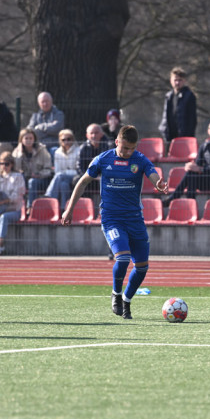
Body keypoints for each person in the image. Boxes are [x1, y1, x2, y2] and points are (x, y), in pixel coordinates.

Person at [60, 125, 169, 320]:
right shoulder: (103, 159)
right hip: (112, 219)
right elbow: (83, 181)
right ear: (117, 142)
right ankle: (116, 294)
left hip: (135, 219)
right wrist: (69, 209)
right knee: (123, 258)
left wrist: (158, 183)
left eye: (132, 149)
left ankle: (127, 300)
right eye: (125, 148)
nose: (128, 152)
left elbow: (153, 174)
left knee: (142, 267)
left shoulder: (140, 160)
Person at [166, 119, 210, 202]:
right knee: (191, 174)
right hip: (207, 179)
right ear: (208, 131)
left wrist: (200, 169)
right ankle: (190, 204)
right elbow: (197, 163)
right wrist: (191, 166)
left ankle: (175, 197)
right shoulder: (204, 146)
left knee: (192, 175)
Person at [11, 127, 52, 209]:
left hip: (41, 180)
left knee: (32, 182)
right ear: (21, 140)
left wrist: (38, 174)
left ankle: (30, 207)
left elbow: (49, 170)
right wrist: (19, 154)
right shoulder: (16, 152)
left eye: (31, 138)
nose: (28, 140)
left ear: (34, 139)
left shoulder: (42, 150)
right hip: (25, 179)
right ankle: (16, 207)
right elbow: (16, 169)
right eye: (26, 138)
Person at [159, 66, 197, 144]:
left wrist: (188, 136)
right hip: (169, 137)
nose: (177, 82)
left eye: (180, 80)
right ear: (171, 81)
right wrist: (163, 130)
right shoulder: (168, 96)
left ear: (184, 81)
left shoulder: (189, 96)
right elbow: (165, 117)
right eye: (175, 80)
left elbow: (192, 119)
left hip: (184, 137)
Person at [44, 129, 81, 211]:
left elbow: (78, 171)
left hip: (75, 177)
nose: (66, 141)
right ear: (60, 141)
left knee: (60, 176)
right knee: (63, 185)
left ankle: (49, 197)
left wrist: (65, 172)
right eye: (63, 140)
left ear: (73, 139)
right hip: (62, 178)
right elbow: (57, 170)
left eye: (69, 139)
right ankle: (63, 210)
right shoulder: (57, 152)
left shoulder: (78, 151)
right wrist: (64, 173)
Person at [76, 123, 109, 201]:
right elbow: (79, 167)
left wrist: (101, 177)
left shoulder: (109, 146)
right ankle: (85, 206)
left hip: (104, 177)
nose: (94, 135)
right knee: (77, 180)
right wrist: (90, 176)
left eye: (96, 133)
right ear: (87, 135)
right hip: (88, 177)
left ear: (101, 134)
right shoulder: (82, 148)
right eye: (91, 133)